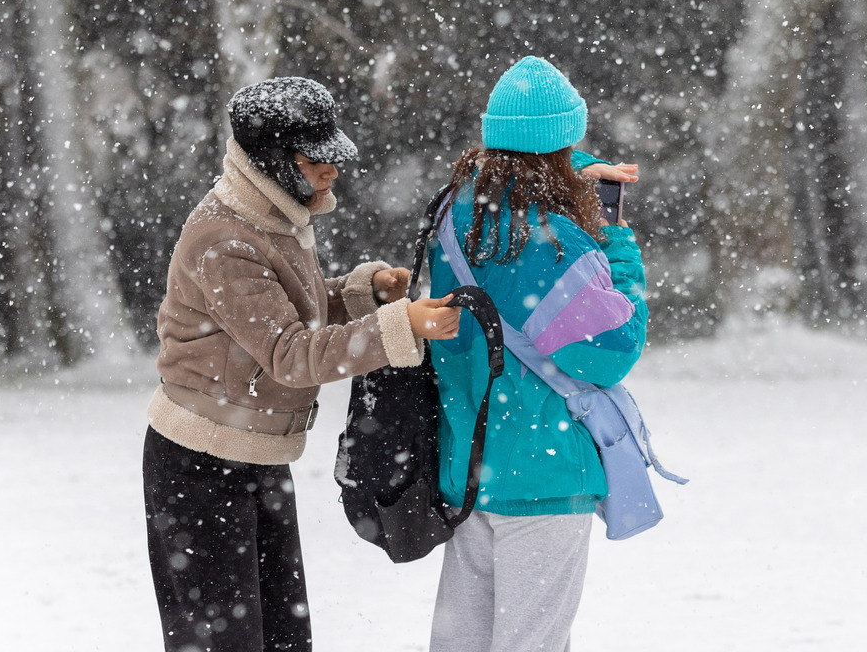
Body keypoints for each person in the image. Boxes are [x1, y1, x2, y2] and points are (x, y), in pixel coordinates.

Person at [142, 76, 460, 651]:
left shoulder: (273, 217)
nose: (332, 171)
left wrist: (363, 295)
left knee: (284, 636)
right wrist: (398, 329)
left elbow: (285, 311)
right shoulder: (225, 239)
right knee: (223, 642)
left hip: (253, 453)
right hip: (200, 467)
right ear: (273, 160)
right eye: (317, 160)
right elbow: (291, 353)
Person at [425, 56, 647, 652]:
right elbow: (610, 351)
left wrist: (570, 167)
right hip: (542, 472)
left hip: (471, 465)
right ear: (556, 146)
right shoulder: (552, 239)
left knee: (462, 642)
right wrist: (619, 248)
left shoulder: (456, 215)